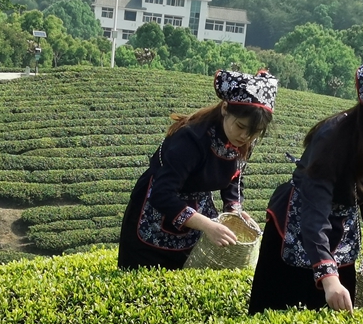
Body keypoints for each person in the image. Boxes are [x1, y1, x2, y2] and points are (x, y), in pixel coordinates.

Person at [248, 63, 363, 315]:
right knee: (280, 308)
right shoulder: (334, 136)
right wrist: (328, 276)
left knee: (337, 311)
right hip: (300, 219)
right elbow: (315, 206)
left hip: (344, 226)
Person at [118, 68, 278, 270]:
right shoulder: (190, 138)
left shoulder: (244, 141)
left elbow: (234, 178)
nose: (245, 136)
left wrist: (234, 211)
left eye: (255, 132)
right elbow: (161, 194)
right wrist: (207, 225)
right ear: (225, 108)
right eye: (240, 126)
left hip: (197, 216)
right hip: (154, 218)